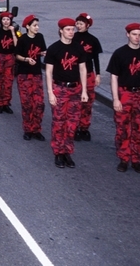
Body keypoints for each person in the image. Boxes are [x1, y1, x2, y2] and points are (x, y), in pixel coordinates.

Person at [107, 23, 140, 174]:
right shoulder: (120, 53)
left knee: (139, 128)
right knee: (122, 128)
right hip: (125, 93)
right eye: (134, 34)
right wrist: (115, 98)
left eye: (139, 35)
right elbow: (114, 77)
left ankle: (137, 159)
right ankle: (124, 158)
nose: (137, 38)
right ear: (128, 35)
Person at [44, 18, 88, 169]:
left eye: (73, 29)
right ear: (61, 31)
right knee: (59, 122)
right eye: (68, 29)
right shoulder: (54, 49)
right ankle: (58, 152)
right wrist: (50, 92)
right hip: (60, 89)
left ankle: (67, 152)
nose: (71, 32)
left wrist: (84, 90)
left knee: (72, 123)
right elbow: (48, 72)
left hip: (75, 89)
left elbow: (83, 69)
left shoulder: (78, 48)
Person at [15, 15, 47, 141]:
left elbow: (42, 51)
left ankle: (36, 129)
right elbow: (17, 55)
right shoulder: (22, 39)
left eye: (38, 25)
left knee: (39, 103)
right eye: (34, 25)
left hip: (37, 74)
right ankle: (28, 129)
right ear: (27, 26)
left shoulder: (40, 37)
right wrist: (26, 59)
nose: (37, 28)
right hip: (24, 74)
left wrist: (43, 53)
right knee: (27, 103)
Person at [74, 13, 103, 141]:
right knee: (76, 102)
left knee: (88, 102)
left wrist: (98, 74)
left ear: (87, 25)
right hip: (75, 74)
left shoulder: (93, 40)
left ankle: (84, 128)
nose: (78, 26)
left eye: (81, 24)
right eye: (77, 23)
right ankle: (74, 127)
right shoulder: (73, 38)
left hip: (89, 73)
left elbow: (95, 58)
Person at [0, 11, 17, 114]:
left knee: (8, 82)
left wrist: (13, 32)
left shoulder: (13, 31)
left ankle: (6, 103)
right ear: (1, 21)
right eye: (4, 20)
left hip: (10, 58)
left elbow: (17, 45)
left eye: (8, 20)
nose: (6, 22)